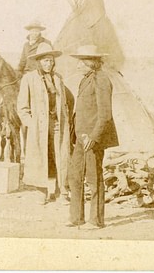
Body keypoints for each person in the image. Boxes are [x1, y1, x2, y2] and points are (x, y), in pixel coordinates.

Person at [67, 45, 119, 229]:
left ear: (92, 62)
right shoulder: (85, 80)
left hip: (92, 138)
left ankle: (96, 221)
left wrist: (94, 137)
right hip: (80, 138)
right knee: (74, 177)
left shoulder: (102, 80)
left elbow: (105, 114)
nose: (79, 65)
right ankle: (76, 218)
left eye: (82, 61)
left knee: (94, 178)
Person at [16, 43, 74, 204]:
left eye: (50, 61)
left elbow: (65, 102)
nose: (48, 64)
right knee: (41, 157)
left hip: (57, 124)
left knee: (60, 156)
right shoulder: (29, 79)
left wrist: (64, 118)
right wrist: (31, 124)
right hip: (39, 127)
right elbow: (22, 107)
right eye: (45, 61)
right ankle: (42, 191)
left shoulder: (58, 78)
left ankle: (62, 191)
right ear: (39, 62)